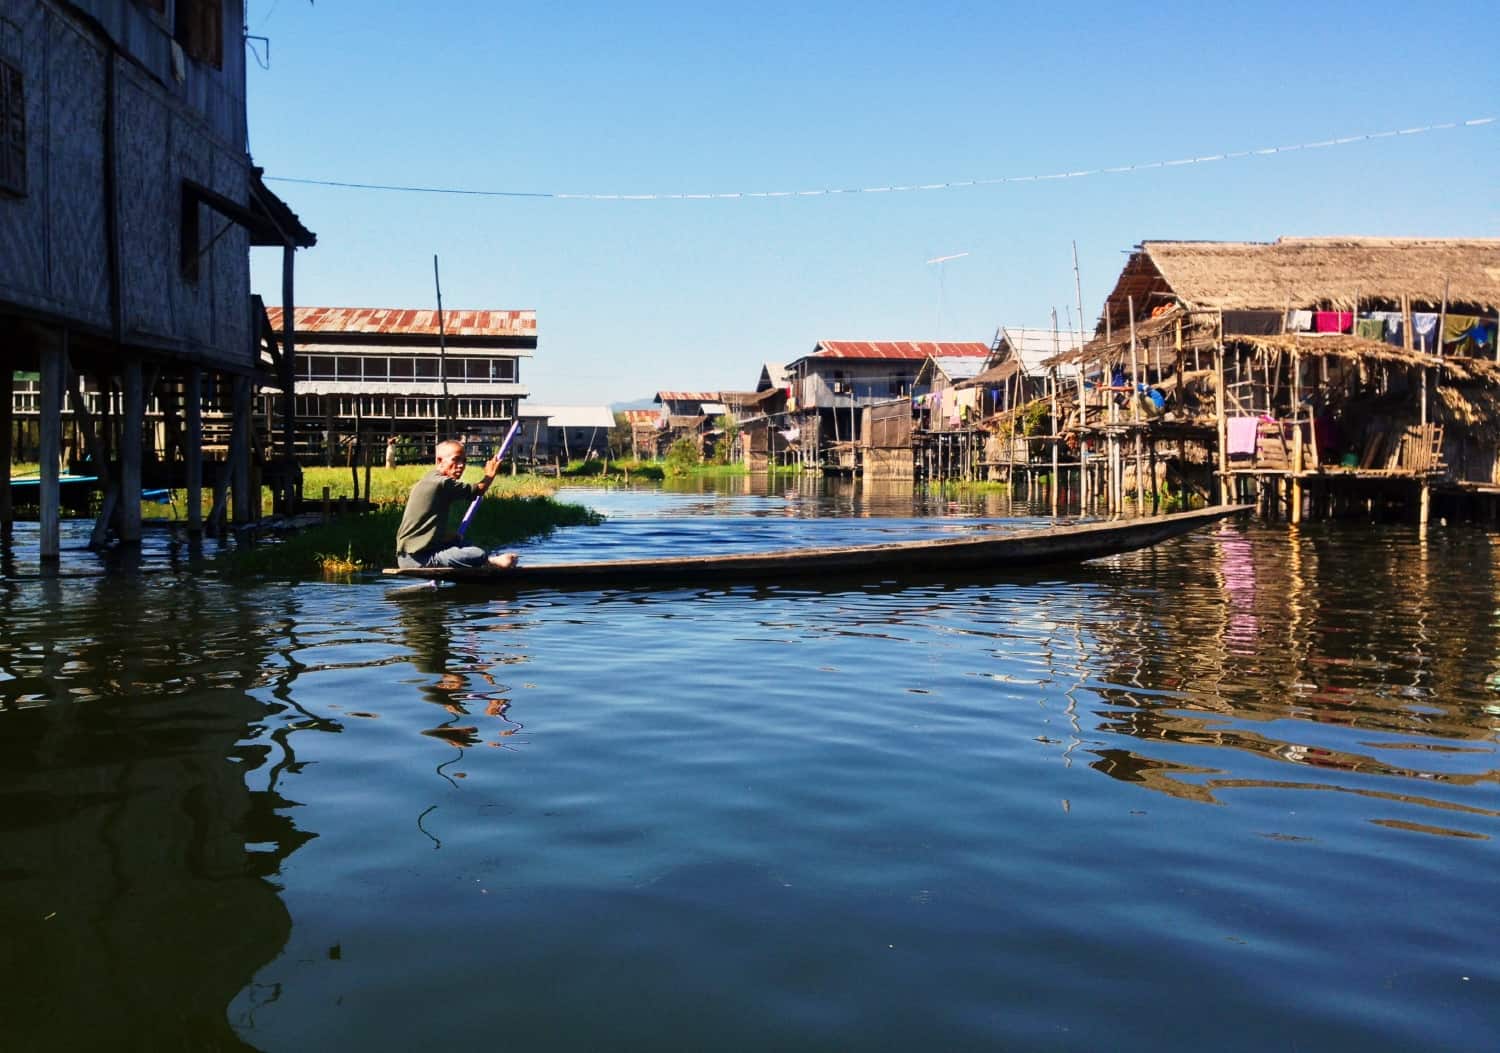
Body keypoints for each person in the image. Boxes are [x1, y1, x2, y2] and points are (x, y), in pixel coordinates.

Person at [395, 439, 520, 570]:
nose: (461, 465)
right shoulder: (441, 483)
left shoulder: (429, 478)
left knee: (462, 542)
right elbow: (479, 490)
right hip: (416, 558)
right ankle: (492, 562)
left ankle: (483, 561)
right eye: (455, 460)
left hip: (415, 553)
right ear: (439, 461)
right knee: (478, 554)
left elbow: (422, 528)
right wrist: (490, 474)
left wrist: (448, 536)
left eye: (464, 461)